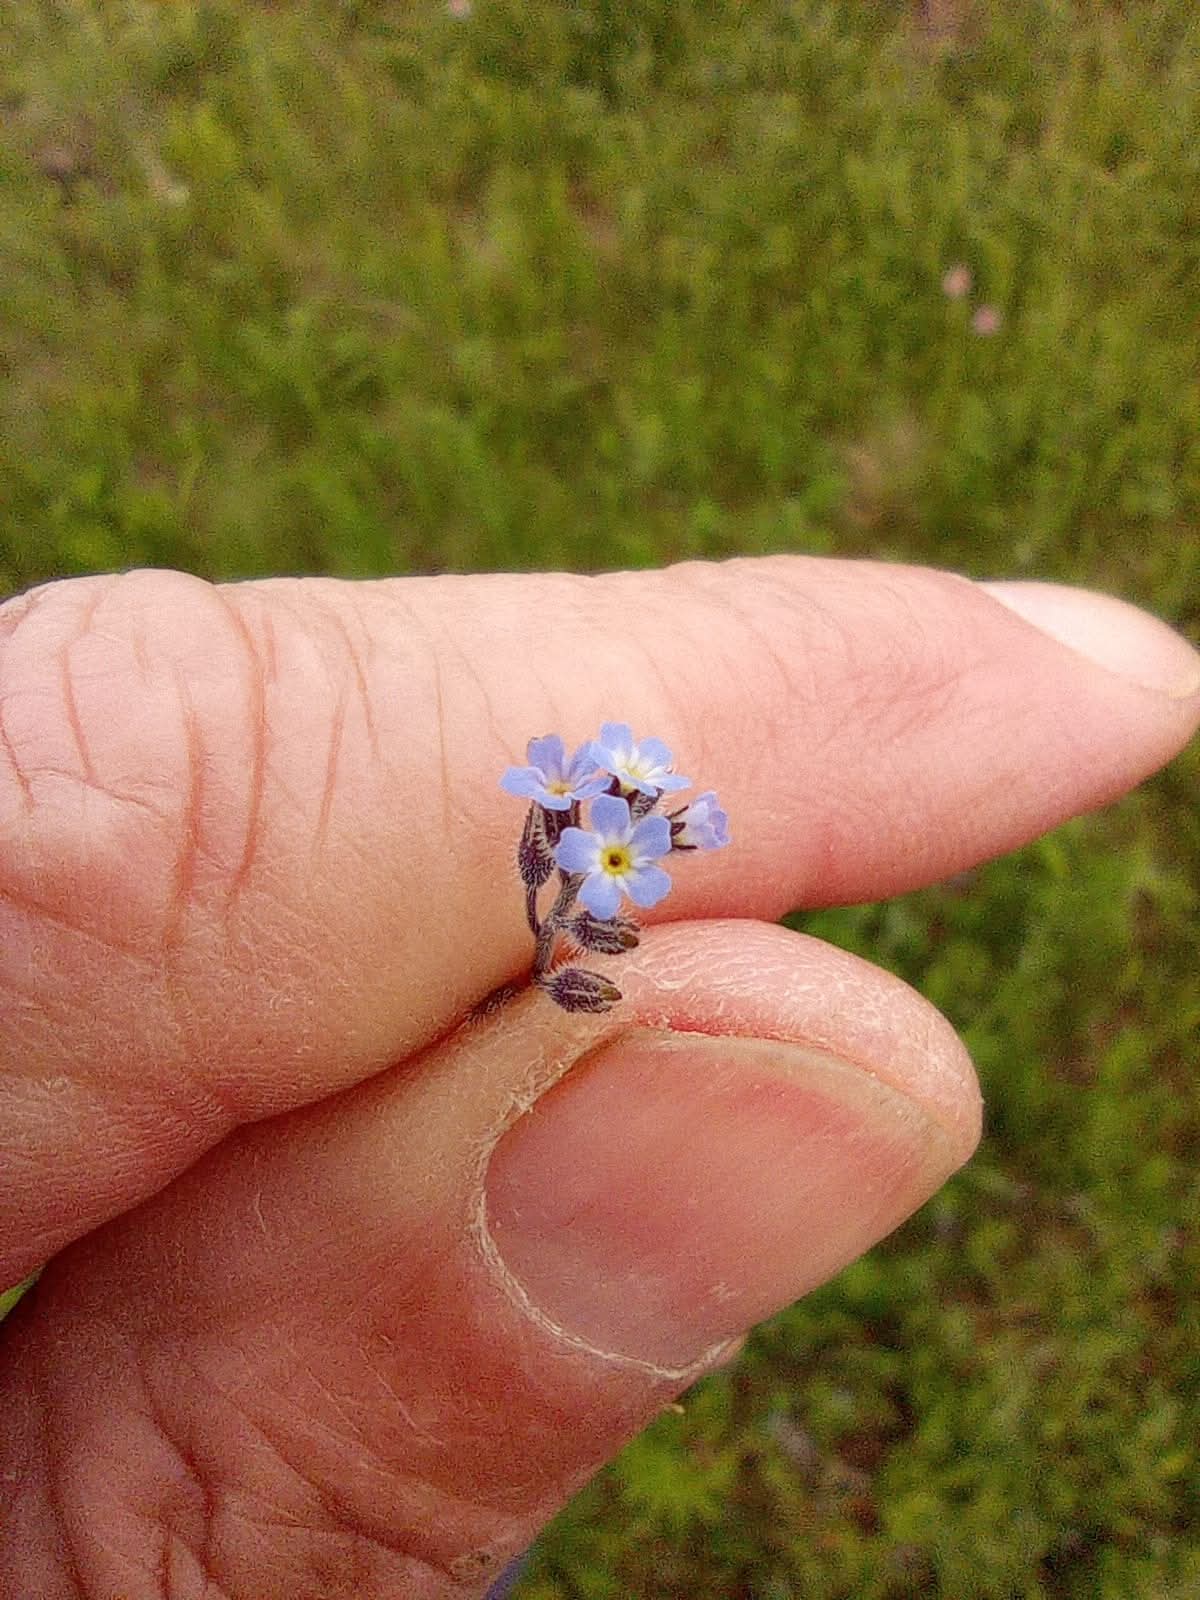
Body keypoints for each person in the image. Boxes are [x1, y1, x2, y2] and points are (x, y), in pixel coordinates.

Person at [0, 556, 1196, 1599]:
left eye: (618, 845)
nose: (603, 841)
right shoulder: (569, 852)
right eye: (604, 840)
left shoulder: (586, 859)